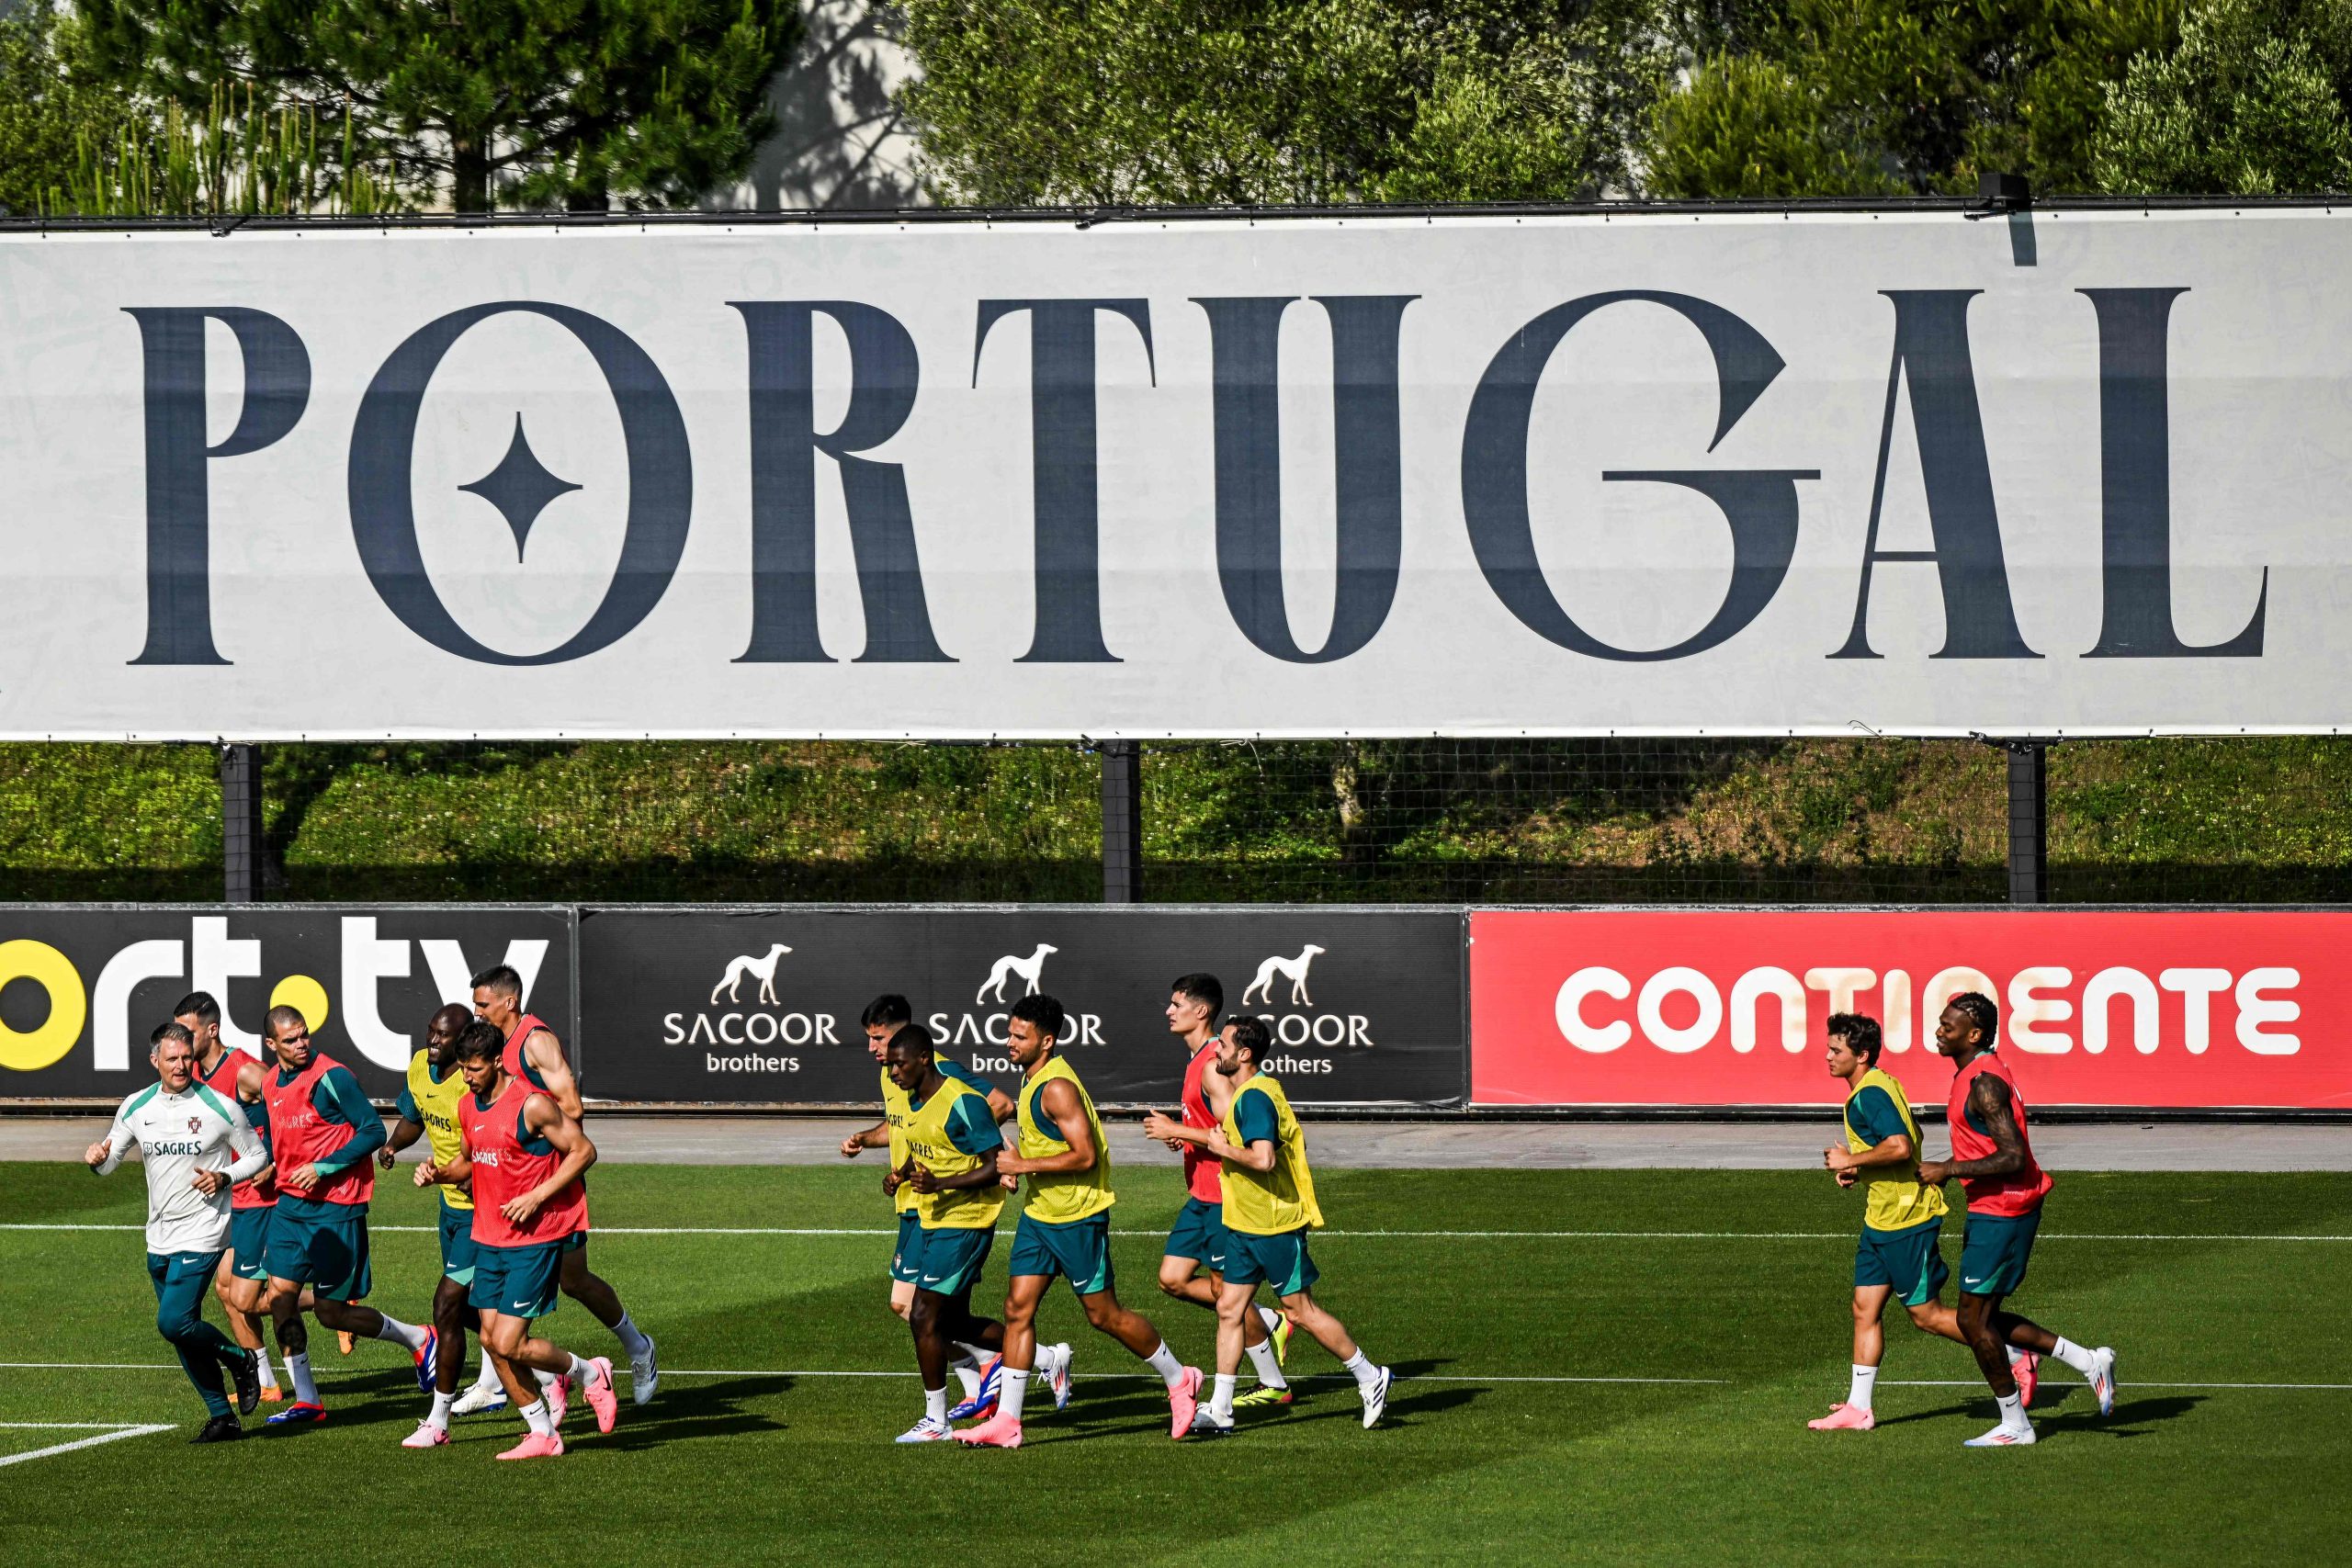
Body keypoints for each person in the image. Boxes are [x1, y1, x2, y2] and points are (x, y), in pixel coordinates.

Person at [956, 995, 1202, 1449]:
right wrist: (1016, 1165)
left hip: (1077, 1218)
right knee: (1017, 1310)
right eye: (1009, 1033)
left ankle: (1179, 1377)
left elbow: (1085, 1156)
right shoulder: (1031, 1078)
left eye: (1019, 1036)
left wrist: (1023, 1167)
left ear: (1046, 1041)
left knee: (1104, 1316)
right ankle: (1008, 1421)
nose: (1009, 1042)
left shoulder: (1056, 1088)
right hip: (1040, 1215)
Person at [1917, 992, 2119, 1447]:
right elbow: (1986, 1148)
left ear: (1974, 1034)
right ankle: (2089, 1362)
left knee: (1973, 1320)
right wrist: (1946, 1167)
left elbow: (2012, 1156)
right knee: (1980, 1316)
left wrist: (1947, 1169)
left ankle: (2017, 1425)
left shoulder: (1984, 1083)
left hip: (2004, 1209)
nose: (1938, 1030)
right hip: (1995, 1207)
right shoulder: (1974, 1074)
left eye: (1947, 1025)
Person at [415, 1021, 618, 1460]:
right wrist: (437, 1173)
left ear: (494, 1062)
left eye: (473, 1069)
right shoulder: (469, 1107)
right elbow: (470, 1163)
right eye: (463, 1070)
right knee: (492, 1340)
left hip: (533, 1238)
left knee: (508, 1342)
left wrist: (537, 1195)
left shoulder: (533, 1105)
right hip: (487, 1236)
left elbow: (584, 1151)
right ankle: (542, 1433)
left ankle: (590, 1373)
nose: (466, 1078)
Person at [1193, 1017, 1390, 1437]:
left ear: (1244, 1054)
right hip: (1245, 1225)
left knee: (1301, 1312)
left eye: (1223, 1045)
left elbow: (1263, 1159)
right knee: (1229, 1309)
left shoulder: (1256, 1099)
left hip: (1274, 1227)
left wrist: (1221, 1147)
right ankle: (1222, 1408)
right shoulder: (1251, 1092)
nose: (1216, 1051)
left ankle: (1369, 1375)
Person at [471, 964, 658, 1404]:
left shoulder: (535, 1041)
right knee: (511, 1287)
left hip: (552, 1182)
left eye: (483, 1003)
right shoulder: (493, 1049)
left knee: (572, 1281)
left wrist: (538, 1148)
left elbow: (572, 1108)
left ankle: (636, 1347)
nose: (476, 1011)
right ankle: (519, 1378)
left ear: (509, 1001)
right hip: (514, 1183)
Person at [255, 1004, 436, 1427]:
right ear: (271, 1045)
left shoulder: (332, 1077)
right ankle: (307, 1400)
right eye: (290, 1040)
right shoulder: (269, 1084)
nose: (302, 1044)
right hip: (290, 1207)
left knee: (330, 1312)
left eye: (304, 1035)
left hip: (336, 1206)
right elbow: (287, 1140)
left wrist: (322, 1167)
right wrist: (270, 1168)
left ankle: (418, 1337)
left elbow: (372, 1130)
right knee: (279, 1299)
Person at [87, 1021, 268, 1443]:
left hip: (205, 1232)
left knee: (173, 1321)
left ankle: (241, 1359)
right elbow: (109, 1161)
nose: (181, 1065)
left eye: (187, 1057)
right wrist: (97, 1158)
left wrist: (224, 1177)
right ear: (155, 1061)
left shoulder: (220, 1107)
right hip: (159, 1236)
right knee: (183, 1334)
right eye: (172, 1059)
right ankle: (221, 1417)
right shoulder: (136, 1107)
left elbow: (257, 1155)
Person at [840, 993, 1014, 1416]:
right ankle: (986, 1379)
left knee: (916, 1310)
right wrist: (868, 1139)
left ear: (908, 1042)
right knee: (928, 1312)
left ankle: (1006, 1365)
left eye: (878, 1038)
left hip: (945, 1204)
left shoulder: (940, 1071)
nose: (873, 1049)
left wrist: (985, 1152)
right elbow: (903, 1125)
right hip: (915, 1198)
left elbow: (999, 1104)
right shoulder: (894, 1076)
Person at [1137, 973, 1291, 1407]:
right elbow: (1208, 1129)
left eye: (1176, 1004)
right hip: (1200, 1196)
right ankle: (1267, 1321)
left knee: (1229, 1299)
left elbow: (1233, 1132)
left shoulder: (1211, 1065)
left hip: (1224, 1197)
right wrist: (1182, 1135)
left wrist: (1177, 1128)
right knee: (1172, 1279)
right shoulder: (1197, 1061)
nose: (1169, 1010)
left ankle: (1272, 1383)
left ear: (1200, 1011)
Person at [1809, 1011, 1960, 1431]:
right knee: (1864, 1308)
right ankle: (1859, 1408)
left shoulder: (1869, 1095)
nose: (1828, 1056)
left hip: (1905, 1217)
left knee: (1926, 1316)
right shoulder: (1877, 1085)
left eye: (1836, 1050)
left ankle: (2012, 1353)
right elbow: (1905, 1145)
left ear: (1862, 1054)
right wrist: (1860, 1171)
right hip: (1881, 1217)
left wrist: (1851, 1159)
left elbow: (1899, 1145)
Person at [382, 1005, 503, 1446]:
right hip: (449, 1209)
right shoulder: (420, 1066)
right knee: (475, 1311)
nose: (433, 1042)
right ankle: (556, 1374)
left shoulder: (472, 1085)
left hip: (480, 1211)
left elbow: (486, 1147)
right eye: (430, 1032)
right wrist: (394, 1144)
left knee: (445, 1307)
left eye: (442, 1036)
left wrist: (457, 1173)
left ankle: (438, 1421)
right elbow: (416, 1116)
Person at [884, 1022, 1008, 1443]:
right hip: (935, 1219)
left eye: (899, 1064)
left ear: (924, 1059)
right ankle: (1040, 1357)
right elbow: (928, 1152)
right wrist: (900, 1176)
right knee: (951, 1321)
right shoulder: (914, 1100)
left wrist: (942, 1185)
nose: (892, 1072)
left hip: (968, 1221)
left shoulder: (963, 1102)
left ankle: (936, 1419)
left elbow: (997, 1166)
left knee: (923, 1315)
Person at [179, 990, 286, 1402]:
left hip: (261, 1200)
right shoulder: (196, 1077)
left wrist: (273, 1160)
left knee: (247, 1294)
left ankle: (332, 1301)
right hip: (229, 1198)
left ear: (212, 1030)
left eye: (187, 1032)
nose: (181, 1040)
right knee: (227, 1293)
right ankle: (266, 1382)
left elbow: (289, 1107)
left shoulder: (245, 1071)